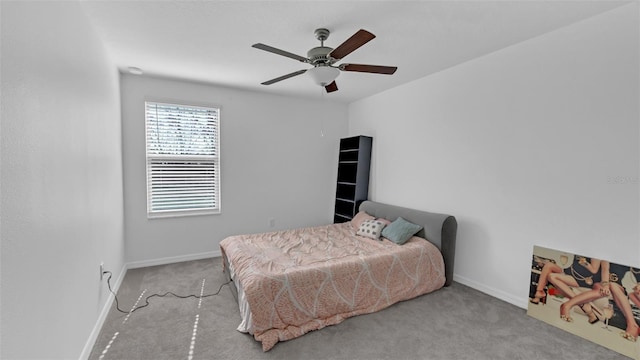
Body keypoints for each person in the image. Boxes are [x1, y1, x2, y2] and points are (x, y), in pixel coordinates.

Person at [547, 255, 604, 324]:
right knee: (551, 276)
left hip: (585, 279)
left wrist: (583, 262)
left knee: (553, 277)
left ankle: (574, 306)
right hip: (573, 274)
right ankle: (583, 305)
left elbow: (594, 270)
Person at [608, 263, 640, 342]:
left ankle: (632, 325)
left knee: (632, 294)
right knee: (613, 285)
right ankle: (632, 324)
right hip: (621, 288)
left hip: (633, 294)